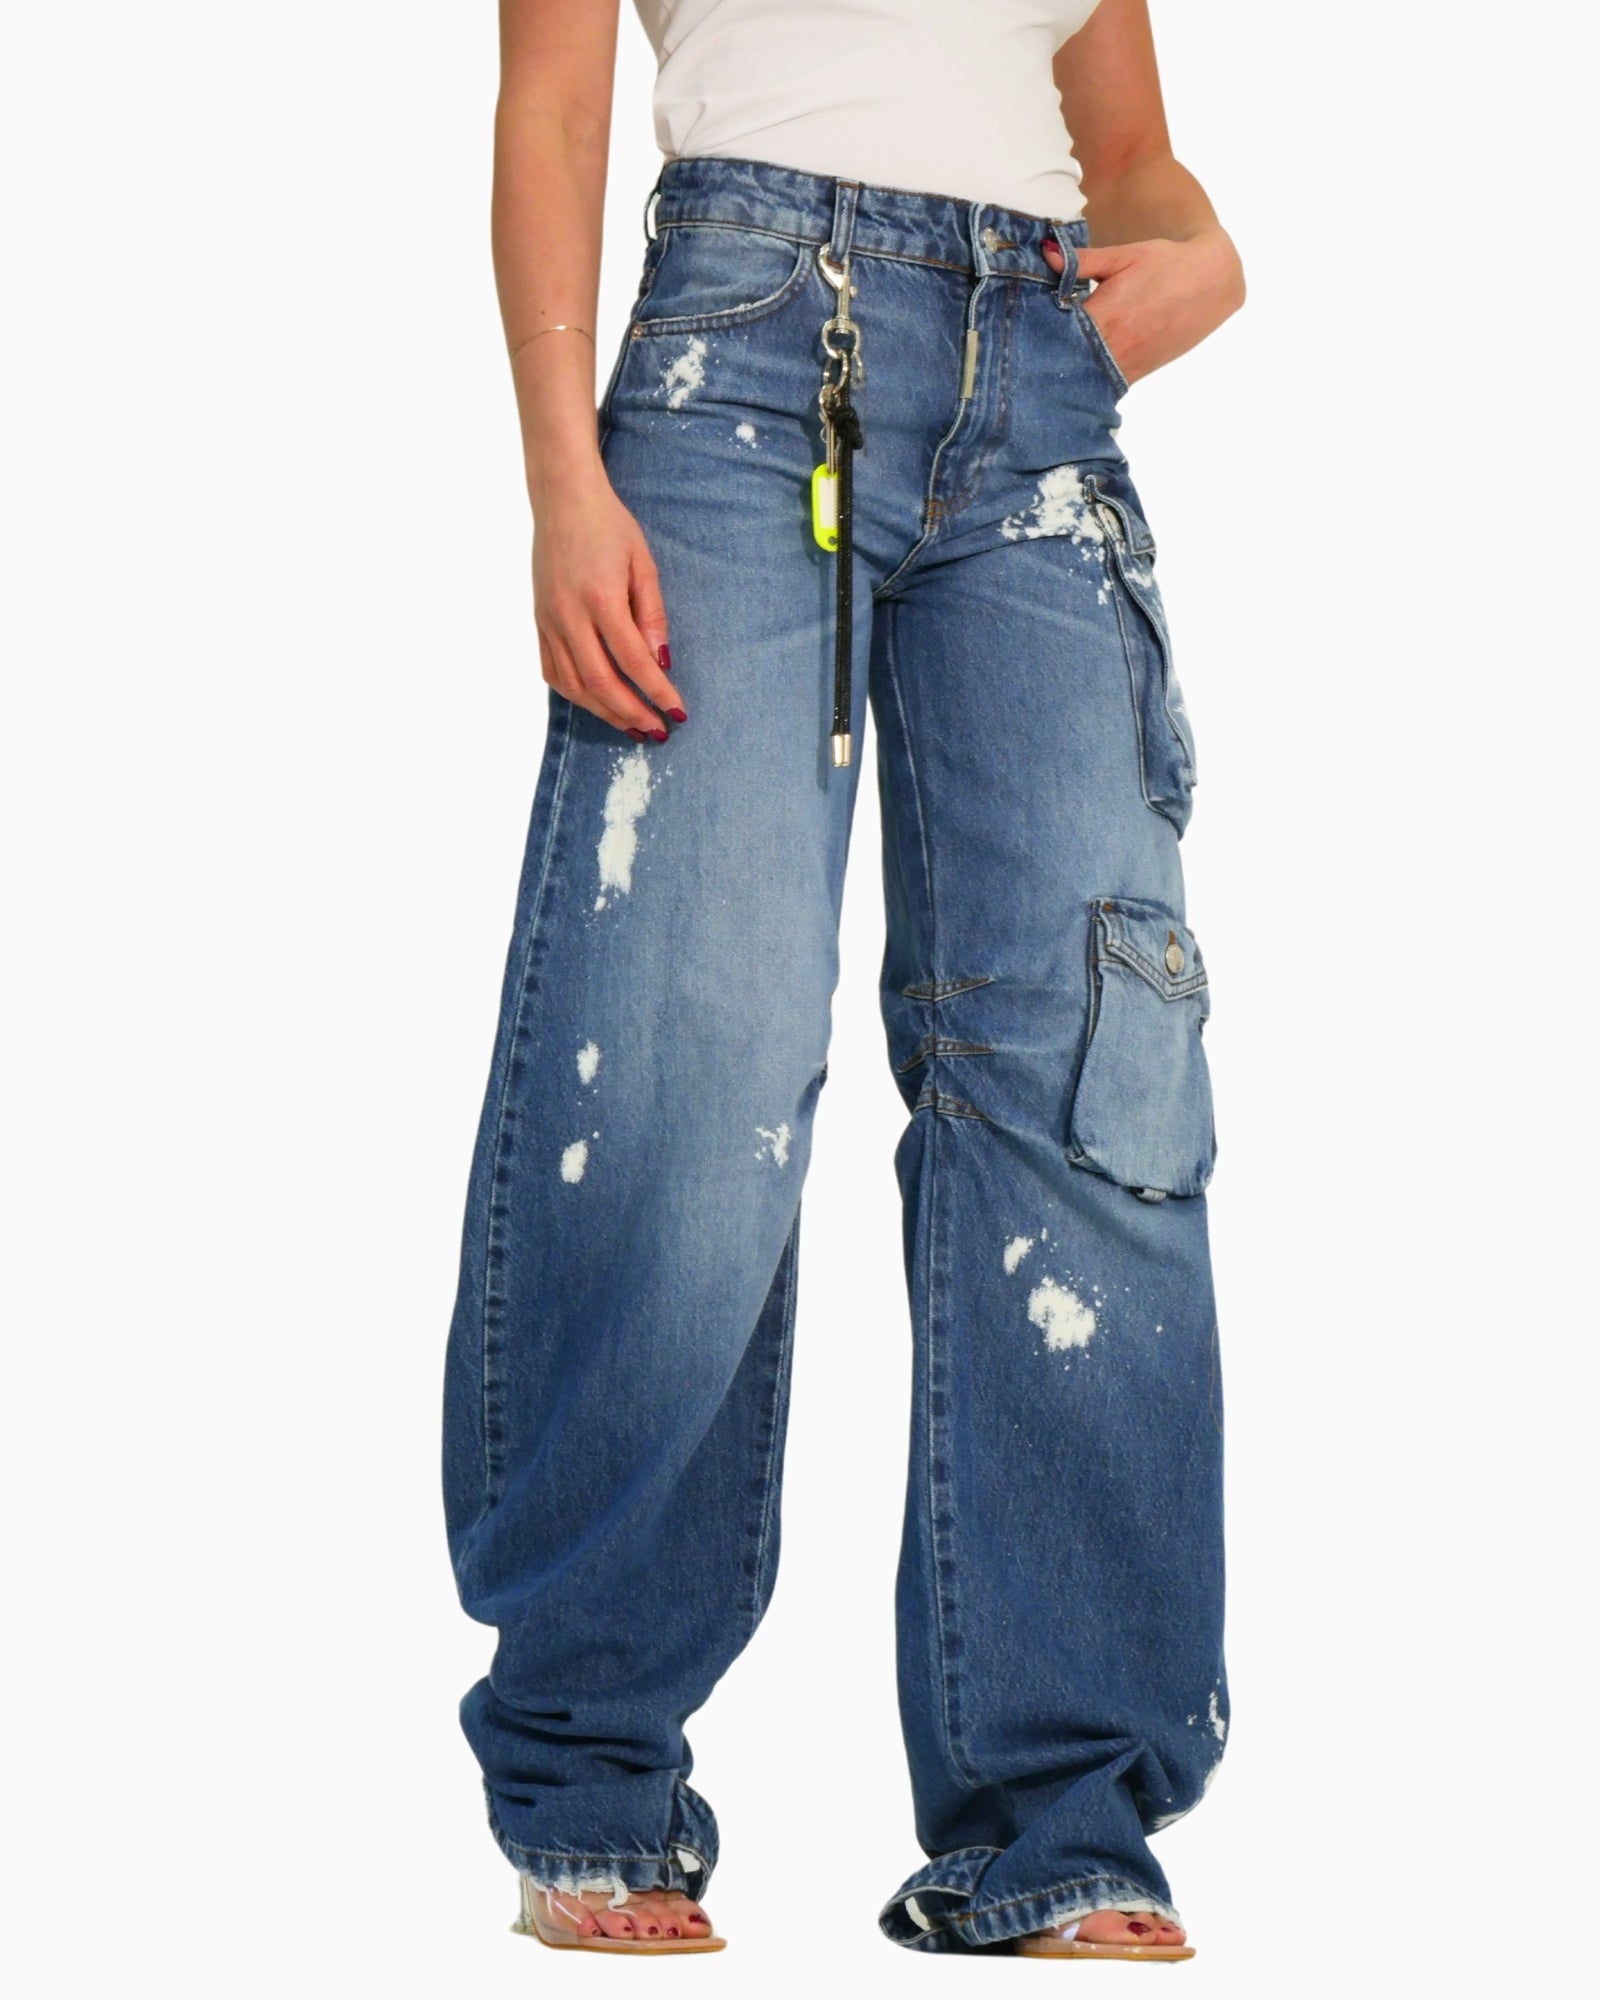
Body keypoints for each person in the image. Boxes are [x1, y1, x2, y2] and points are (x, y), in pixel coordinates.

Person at [442, 0, 1245, 1959]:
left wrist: (1200, 249)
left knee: (1087, 1094)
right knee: (689, 1054)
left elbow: (1131, 157)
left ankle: (1061, 1816)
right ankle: (591, 1773)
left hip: (1039, 400)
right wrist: (560, 476)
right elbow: (550, 102)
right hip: (739, 363)